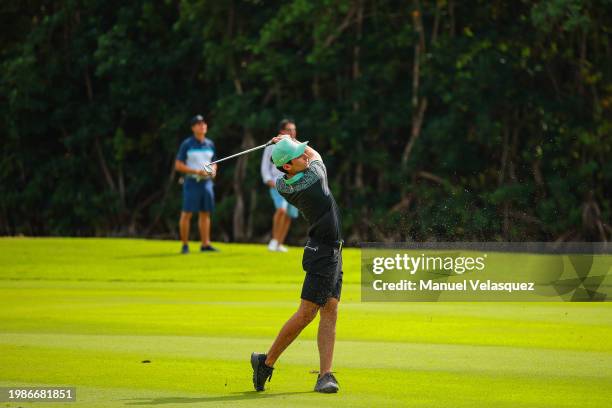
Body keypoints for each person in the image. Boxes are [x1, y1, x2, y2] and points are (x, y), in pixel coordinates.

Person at [251, 135, 343, 393]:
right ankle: (266, 362)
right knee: (307, 313)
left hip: (331, 250)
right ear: (288, 166)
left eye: (302, 151)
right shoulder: (313, 179)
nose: (304, 155)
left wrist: (289, 145)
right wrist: (288, 138)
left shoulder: (283, 184)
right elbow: (317, 157)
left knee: (330, 309)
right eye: (297, 155)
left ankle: (325, 375)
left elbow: (302, 160)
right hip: (323, 252)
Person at [175, 115, 218, 254]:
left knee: (205, 213)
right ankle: (185, 245)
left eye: (203, 123)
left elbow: (214, 162)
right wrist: (196, 171)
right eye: (198, 124)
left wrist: (213, 171)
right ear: (193, 128)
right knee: (187, 213)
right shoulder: (187, 144)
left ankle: (205, 244)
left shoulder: (210, 144)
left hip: (206, 183)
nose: (202, 125)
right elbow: (178, 165)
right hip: (191, 181)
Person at [260, 119, 300, 252]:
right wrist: (268, 180)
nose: (292, 132)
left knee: (289, 214)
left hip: (293, 184)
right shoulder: (272, 145)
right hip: (277, 182)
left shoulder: (297, 146)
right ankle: (274, 240)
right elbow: (265, 166)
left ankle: (279, 243)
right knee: (281, 210)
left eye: (294, 129)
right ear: (282, 131)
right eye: (289, 130)